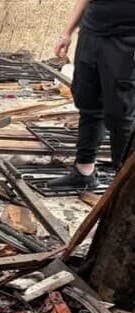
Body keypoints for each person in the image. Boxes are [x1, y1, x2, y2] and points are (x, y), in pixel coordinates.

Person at [49, 0, 135, 189]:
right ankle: (83, 171)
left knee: (120, 114)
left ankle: (123, 186)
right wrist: (66, 32)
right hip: (91, 33)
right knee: (88, 103)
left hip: (126, 42)